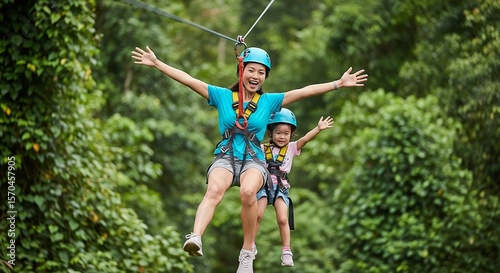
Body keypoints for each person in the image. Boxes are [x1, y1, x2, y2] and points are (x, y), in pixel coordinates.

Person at [131, 45, 367, 273]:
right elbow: (189, 79)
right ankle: (196, 237)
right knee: (214, 189)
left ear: (265, 77)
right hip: (226, 155)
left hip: (254, 160)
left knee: (248, 192)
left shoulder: (268, 101)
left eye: (261, 72)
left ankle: (246, 253)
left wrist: (337, 84)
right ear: (241, 71)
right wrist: (157, 63)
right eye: (251, 70)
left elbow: (303, 91)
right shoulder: (221, 96)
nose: (256, 76)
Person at [252, 108, 334, 267]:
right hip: (263, 186)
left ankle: (286, 250)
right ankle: (251, 244)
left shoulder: (291, 148)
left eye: (286, 133)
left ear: (291, 134)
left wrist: (318, 129)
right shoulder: (262, 149)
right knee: (257, 215)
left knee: (282, 219)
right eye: (278, 133)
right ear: (270, 133)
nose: (282, 137)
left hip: (281, 188)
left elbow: (305, 139)